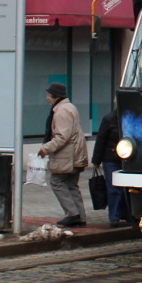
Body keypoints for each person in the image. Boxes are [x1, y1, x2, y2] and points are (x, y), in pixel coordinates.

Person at [39, 82, 90, 227]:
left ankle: (72, 214)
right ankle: (80, 216)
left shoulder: (61, 111)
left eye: (49, 95)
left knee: (56, 182)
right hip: (75, 154)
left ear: (55, 96)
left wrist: (45, 149)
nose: (47, 98)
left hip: (67, 156)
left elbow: (62, 137)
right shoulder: (69, 107)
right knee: (71, 184)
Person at [92, 110, 130, 227]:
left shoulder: (131, 117)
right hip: (111, 159)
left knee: (126, 189)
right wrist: (96, 160)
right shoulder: (109, 119)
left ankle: (125, 214)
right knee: (113, 188)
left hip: (127, 159)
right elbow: (101, 140)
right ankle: (114, 216)